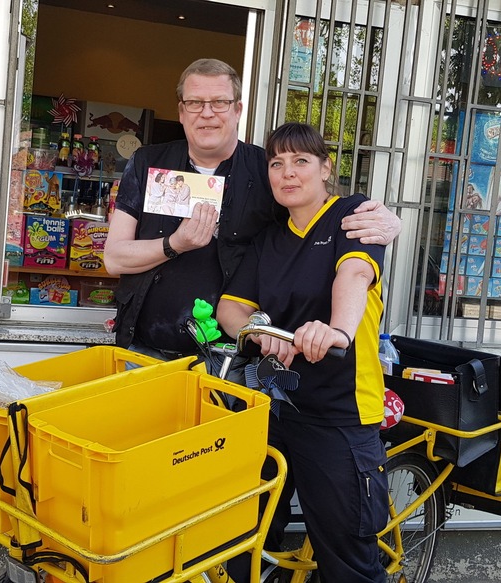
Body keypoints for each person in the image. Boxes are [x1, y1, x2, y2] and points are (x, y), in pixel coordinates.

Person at [103, 58, 400, 361]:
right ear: (181, 111)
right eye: (195, 103)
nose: (207, 113)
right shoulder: (147, 163)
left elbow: (315, 218)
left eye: (219, 102)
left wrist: (388, 221)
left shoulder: (267, 170)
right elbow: (113, 258)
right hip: (142, 348)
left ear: (237, 110)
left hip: (231, 357)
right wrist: (174, 244)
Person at [216, 122, 388, 582]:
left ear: (326, 168)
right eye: (277, 163)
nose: (287, 173)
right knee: (244, 540)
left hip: (339, 414)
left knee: (348, 559)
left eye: (301, 161)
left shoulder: (350, 215)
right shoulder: (268, 240)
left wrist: (338, 332)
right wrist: (257, 329)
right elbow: (230, 309)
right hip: (274, 406)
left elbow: (353, 273)